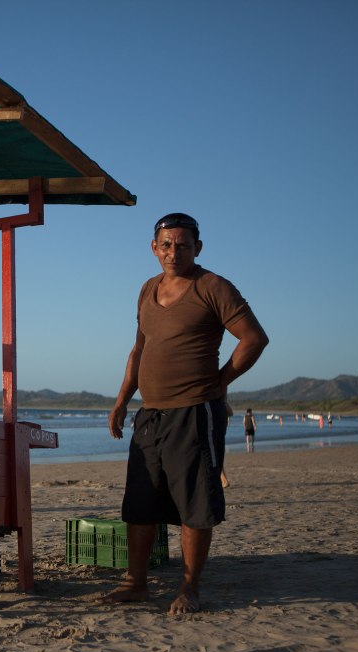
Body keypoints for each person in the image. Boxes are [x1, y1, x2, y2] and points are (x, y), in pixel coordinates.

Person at [105, 212, 269, 615]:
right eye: (166, 244)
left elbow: (254, 338)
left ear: (197, 247)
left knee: (195, 505)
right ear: (153, 247)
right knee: (140, 503)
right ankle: (136, 582)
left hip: (195, 412)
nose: (173, 252)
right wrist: (123, 399)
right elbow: (138, 350)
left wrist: (221, 380)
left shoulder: (213, 286)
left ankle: (190, 588)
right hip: (151, 414)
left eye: (182, 245)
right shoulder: (147, 289)